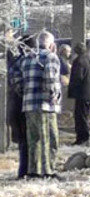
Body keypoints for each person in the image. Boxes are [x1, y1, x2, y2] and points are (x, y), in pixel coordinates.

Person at [20, 31, 62, 178]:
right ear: (51, 44)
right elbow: (50, 79)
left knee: (34, 139)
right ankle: (48, 171)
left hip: (28, 105)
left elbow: (19, 81)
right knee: (49, 139)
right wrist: (54, 96)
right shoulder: (51, 57)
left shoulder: (27, 58)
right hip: (45, 105)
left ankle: (34, 170)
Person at [7, 35, 34, 179]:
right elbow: (20, 87)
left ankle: (25, 170)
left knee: (24, 141)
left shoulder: (17, 61)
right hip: (21, 106)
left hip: (16, 106)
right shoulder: (23, 62)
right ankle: (24, 171)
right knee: (25, 140)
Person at [68, 42, 90, 146]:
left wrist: (71, 89)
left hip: (81, 93)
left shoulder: (78, 61)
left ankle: (82, 138)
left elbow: (77, 77)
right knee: (85, 115)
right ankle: (84, 137)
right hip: (88, 92)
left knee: (80, 117)